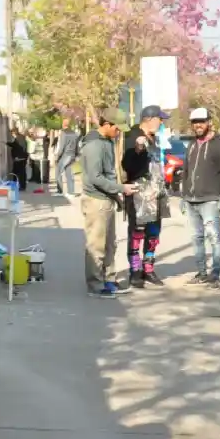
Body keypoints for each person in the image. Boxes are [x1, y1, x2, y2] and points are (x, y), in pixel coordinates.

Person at [81, 108, 137, 299]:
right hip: (96, 200)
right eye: (117, 128)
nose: (119, 132)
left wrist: (117, 194)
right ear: (107, 125)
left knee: (110, 244)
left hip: (106, 199)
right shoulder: (94, 145)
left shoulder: (107, 141)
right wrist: (121, 189)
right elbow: (96, 177)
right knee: (96, 245)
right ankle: (95, 285)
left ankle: (109, 279)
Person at [182, 107, 220, 289]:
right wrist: (184, 195)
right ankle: (202, 273)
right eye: (195, 123)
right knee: (197, 238)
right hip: (191, 200)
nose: (198, 125)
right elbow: (186, 171)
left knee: (214, 237)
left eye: (201, 122)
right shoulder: (191, 144)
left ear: (209, 122)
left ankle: (215, 274)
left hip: (211, 199)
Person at [122, 105, 170, 289]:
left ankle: (148, 269)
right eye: (160, 119)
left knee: (153, 233)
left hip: (156, 193)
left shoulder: (155, 138)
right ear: (150, 119)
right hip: (139, 195)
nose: (161, 123)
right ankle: (135, 271)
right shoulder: (133, 136)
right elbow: (128, 164)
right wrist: (139, 148)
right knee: (137, 233)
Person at [54, 118, 80, 195]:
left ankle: (60, 191)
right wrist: (76, 155)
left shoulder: (63, 133)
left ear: (63, 124)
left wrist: (57, 157)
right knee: (69, 173)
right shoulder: (74, 133)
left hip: (65, 155)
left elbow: (62, 146)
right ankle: (71, 192)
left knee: (58, 172)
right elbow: (77, 146)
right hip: (72, 155)